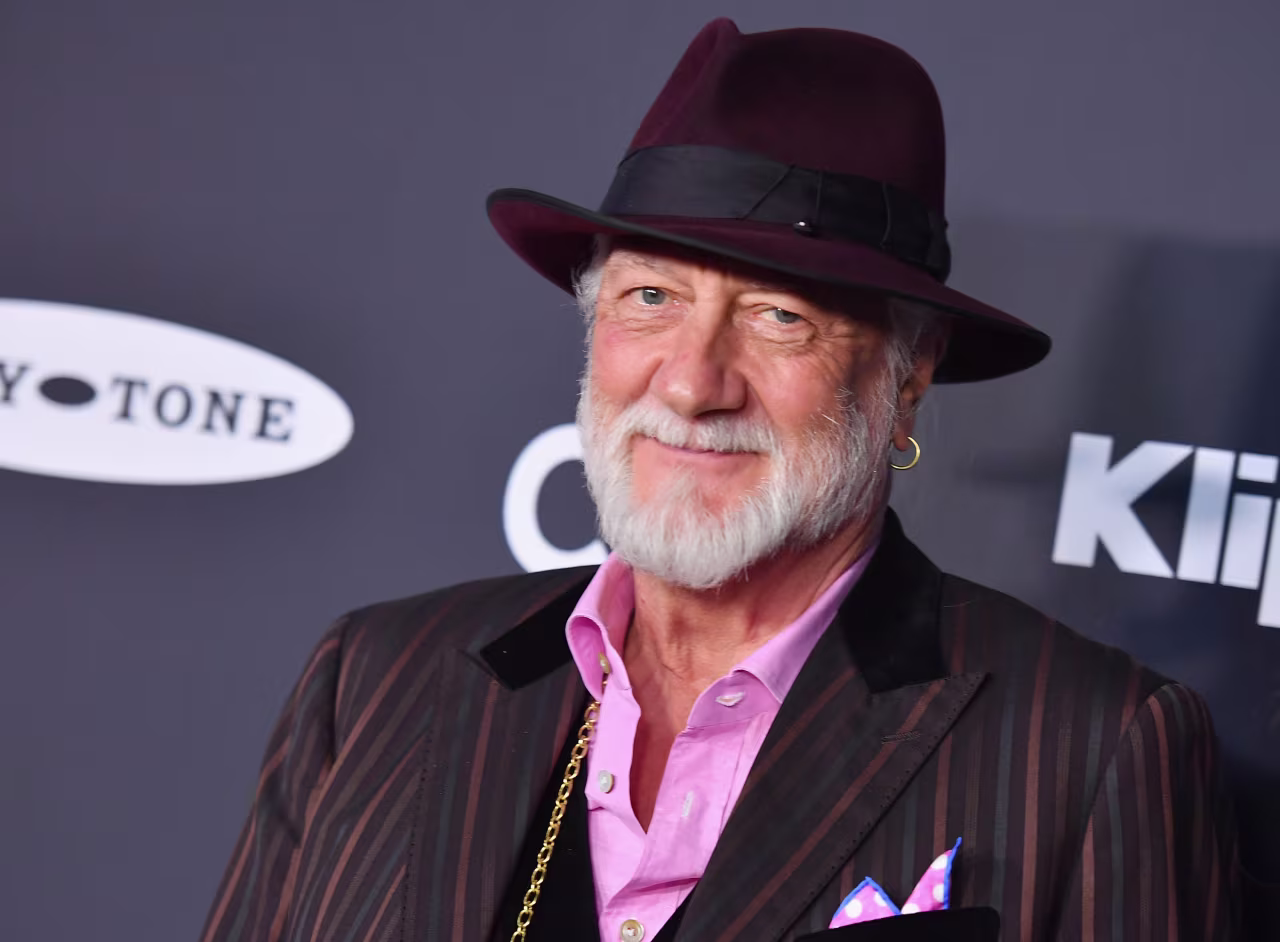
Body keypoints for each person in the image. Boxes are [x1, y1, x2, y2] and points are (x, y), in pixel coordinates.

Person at [201, 19, 1239, 942]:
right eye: (649, 296)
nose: (693, 383)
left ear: (905, 380)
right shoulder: (374, 679)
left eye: (778, 317)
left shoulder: (1091, 744)